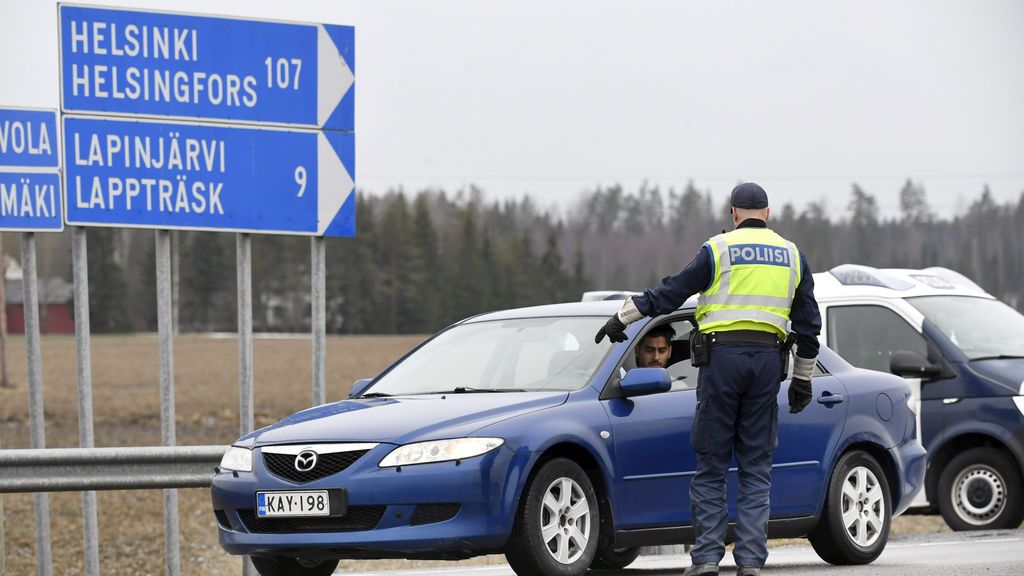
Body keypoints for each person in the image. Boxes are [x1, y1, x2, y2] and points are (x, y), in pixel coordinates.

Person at [595, 182, 821, 576]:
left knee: (713, 464)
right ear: (768, 212)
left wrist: (624, 317)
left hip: (722, 363)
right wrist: (802, 381)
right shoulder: (792, 255)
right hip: (768, 363)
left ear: (733, 212)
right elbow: (808, 328)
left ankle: (706, 560)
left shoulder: (718, 249)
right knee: (756, 465)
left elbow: (671, 291)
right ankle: (750, 562)